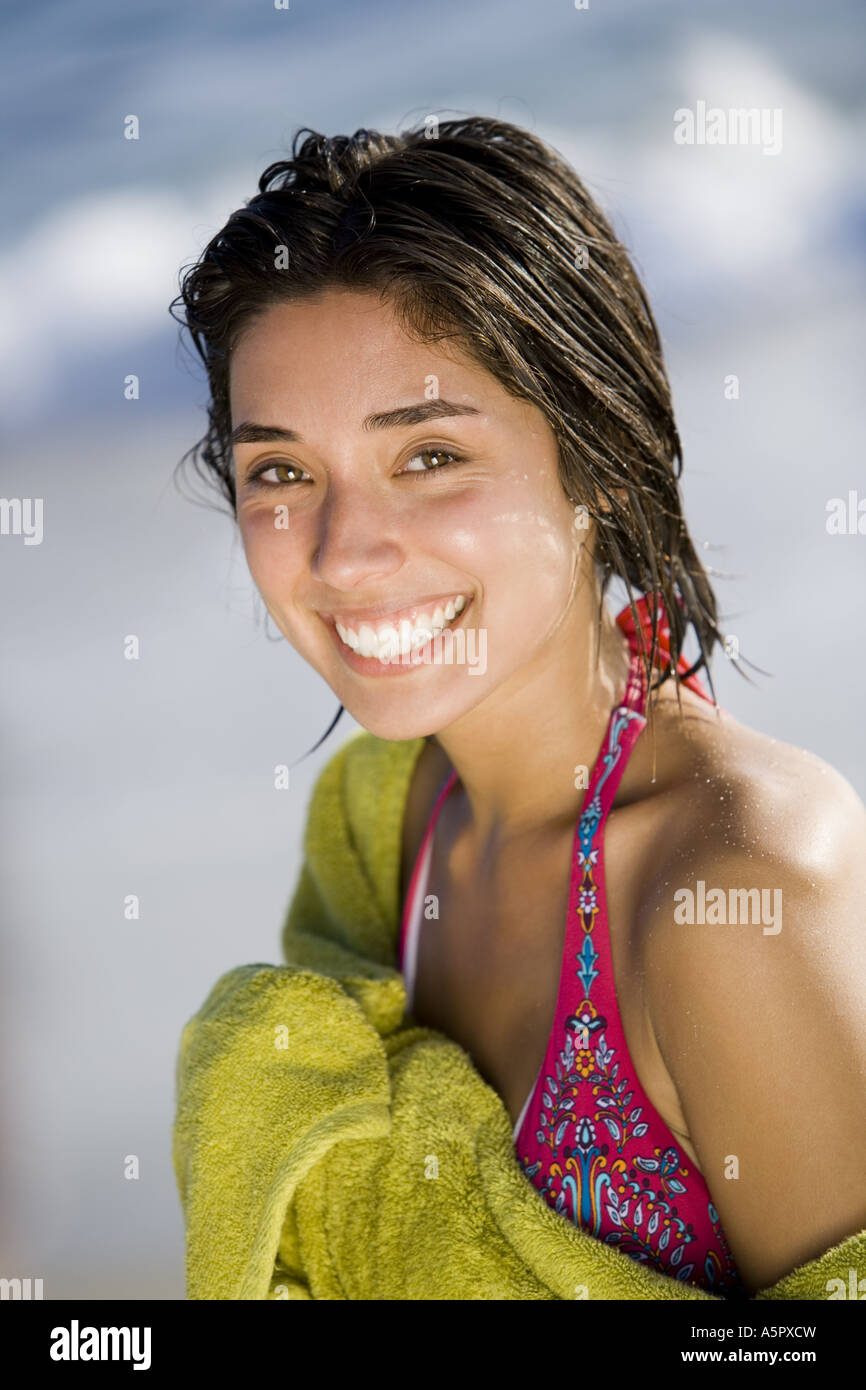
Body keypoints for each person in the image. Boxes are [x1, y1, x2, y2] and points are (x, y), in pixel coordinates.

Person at [170, 116, 866, 1299]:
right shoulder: (382, 814)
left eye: (428, 455)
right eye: (280, 470)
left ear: (592, 456)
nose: (342, 554)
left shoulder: (729, 896)